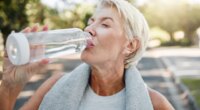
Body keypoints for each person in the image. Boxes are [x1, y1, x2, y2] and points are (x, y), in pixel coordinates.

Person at [0, 0, 175, 110]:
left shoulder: (155, 104)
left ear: (130, 45)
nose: (88, 29)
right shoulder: (54, 85)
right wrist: (10, 85)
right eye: (90, 22)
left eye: (105, 25)